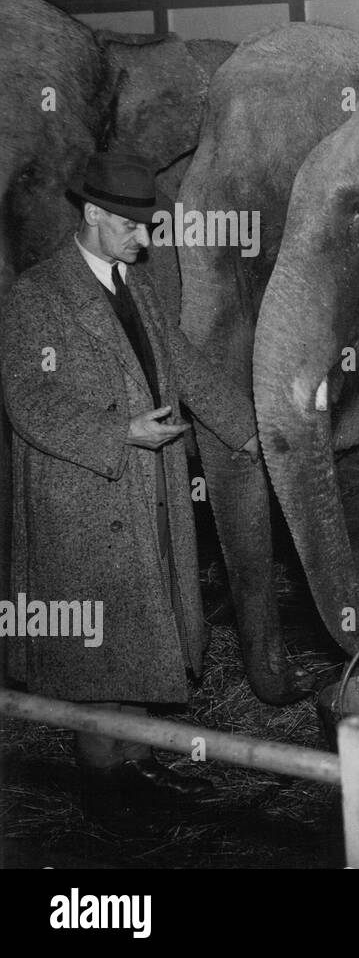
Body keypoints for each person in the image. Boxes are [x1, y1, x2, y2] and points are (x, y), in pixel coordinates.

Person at [1, 152, 259, 820]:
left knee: (142, 630)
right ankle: (103, 791)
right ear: (90, 215)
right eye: (132, 227)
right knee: (95, 650)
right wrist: (119, 434)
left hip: (146, 490)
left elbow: (183, 363)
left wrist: (248, 429)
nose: (145, 242)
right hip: (83, 497)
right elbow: (27, 399)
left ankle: (139, 764)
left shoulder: (134, 287)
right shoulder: (36, 295)